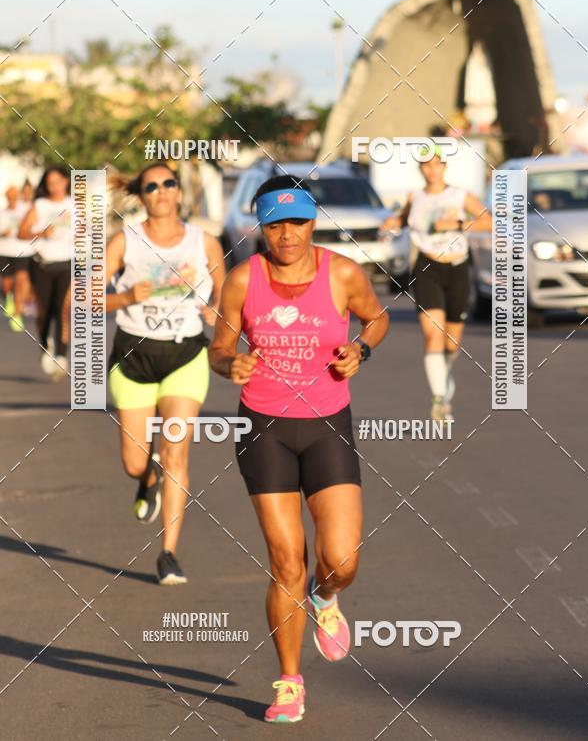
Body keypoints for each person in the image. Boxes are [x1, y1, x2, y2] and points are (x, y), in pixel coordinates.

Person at [209, 174, 389, 723]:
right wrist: (229, 364)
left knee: (342, 559)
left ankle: (326, 596)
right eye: (274, 224)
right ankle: (289, 681)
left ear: (313, 222)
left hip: (326, 424)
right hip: (263, 427)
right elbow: (219, 346)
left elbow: (377, 319)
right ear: (259, 226)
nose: (287, 235)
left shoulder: (343, 274)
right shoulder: (243, 280)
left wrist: (359, 348)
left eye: (298, 223)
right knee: (286, 561)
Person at [105, 164, 225, 586]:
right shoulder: (125, 241)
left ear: (178, 192)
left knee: (177, 451)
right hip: (134, 356)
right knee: (133, 462)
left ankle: (169, 553)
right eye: (151, 186)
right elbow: (83, 296)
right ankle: (147, 478)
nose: (160, 191)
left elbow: (228, 293)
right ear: (141, 195)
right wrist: (123, 296)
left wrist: (218, 313)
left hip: (185, 355)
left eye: (167, 183)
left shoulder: (203, 241)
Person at [385, 147, 492, 421]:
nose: (431, 169)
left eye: (436, 164)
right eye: (426, 165)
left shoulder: (459, 195)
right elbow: (404, 219)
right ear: (420, 169)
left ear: (444, 166)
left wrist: (456, 223)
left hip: (457, 268)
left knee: (452, 343)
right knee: (433, 335)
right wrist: (392, 222)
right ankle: (439, 400)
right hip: (426, 267)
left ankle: (443, 375)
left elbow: (489, 222)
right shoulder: (415, 197)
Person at [18, 167, 73, 379]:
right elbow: (22, 232)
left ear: (65, 181)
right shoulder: (40, 205)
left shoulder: (75, 204)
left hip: (67, 263)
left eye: (58, 181)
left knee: (63, 310)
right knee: (44, 312)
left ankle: (61, 356)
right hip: (42, 264)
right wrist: (41, 232)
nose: (55, 187)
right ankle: (44, 344)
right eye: (50, 183)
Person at [0, 185, 32, 332]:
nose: (12, 198)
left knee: (21, 279)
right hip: (4, 251)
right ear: (6, 197)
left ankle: (18, 314)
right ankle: (8, 296)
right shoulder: (1, 212)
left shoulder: (25, 209)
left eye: (14, 195)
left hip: (22, 251)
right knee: (7, 282)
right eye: (9, 196)